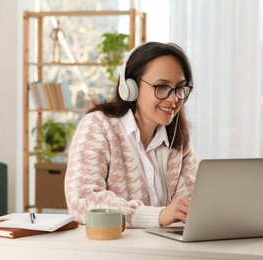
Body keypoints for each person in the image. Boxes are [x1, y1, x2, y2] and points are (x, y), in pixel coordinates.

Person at [65, 42, 198, 228]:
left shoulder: (178, 137)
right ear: (130, 87)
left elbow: (189, 204)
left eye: (180, 88)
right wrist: (155, 216)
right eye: (161, 87)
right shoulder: (98, 126)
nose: (174, 99)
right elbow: (82, 201)